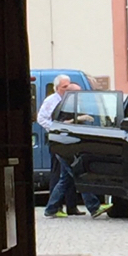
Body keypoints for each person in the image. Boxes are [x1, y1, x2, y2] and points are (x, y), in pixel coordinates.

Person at [36, 74, 84, 217]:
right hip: (57, 140)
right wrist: (55, 128)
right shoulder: (51, 100)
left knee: (68, 174)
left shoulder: (70, 99)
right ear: (57, 88)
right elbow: (41, 118)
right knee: (58, 173)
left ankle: (71, 206)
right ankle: (55, 207)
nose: (67, 88)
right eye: (64, 87)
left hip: (70, 140)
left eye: (69, 85)